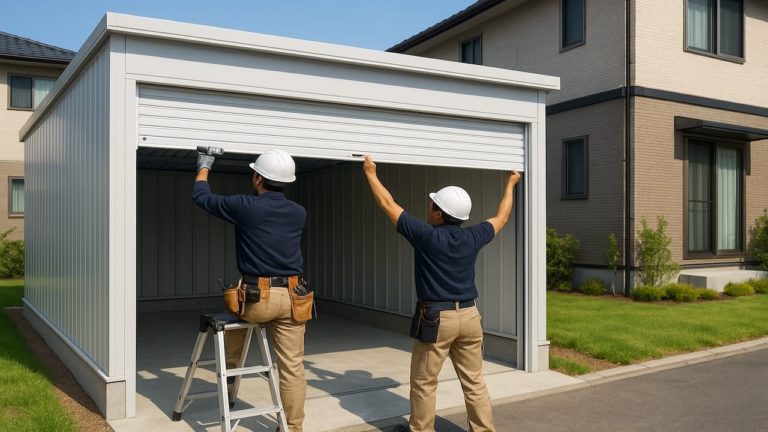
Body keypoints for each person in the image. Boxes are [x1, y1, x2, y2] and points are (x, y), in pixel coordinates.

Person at [362, 155, 521, 432]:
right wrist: (511, 183)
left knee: (424, 383)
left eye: (432, 204)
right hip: (470, 316)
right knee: (474, 382)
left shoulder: (426, 236)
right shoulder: (474, 236)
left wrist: (371, 173)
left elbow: (388, 204)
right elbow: (502, 217)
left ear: (438, 213)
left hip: (437, 319)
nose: (429, 207)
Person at [192, 148, 308, 432]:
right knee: (292, 367)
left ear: (258, 178)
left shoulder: (246, 206)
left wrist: (204, 166)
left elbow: (201, 196)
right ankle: (293, 428)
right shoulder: (298, 212)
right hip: (294, 298)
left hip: (257, 299)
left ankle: (230, 384)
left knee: (236, 326)